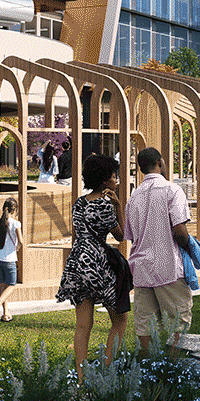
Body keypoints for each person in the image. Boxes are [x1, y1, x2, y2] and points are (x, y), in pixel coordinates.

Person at [56, 154, 129, 367]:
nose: (117, 180)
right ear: (106, 181)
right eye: (115, 176)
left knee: (82, 326)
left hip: (78, 262)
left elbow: (77, 235)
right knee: (120, 321)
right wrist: (117, 205)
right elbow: (121, 235)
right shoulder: (106, 206)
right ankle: (106, 370)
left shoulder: (79, 204)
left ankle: (81, 379)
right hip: (99, 264)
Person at [124, 148, 196, 356]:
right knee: (179, 323)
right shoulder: (172, 191)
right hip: (168, 267)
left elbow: (131, 235)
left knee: (144, 327)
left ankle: (147, 371)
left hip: (141, 269)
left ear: (140, 168)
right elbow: (180, 232)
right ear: (160, 162)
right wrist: (192, 248)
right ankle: (172, 369)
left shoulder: (134, 197)